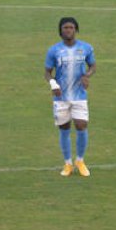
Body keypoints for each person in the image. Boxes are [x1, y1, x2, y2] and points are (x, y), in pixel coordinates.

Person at [44, 17, 96, 177]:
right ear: (60, 31)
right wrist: (53, 84)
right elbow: (47, 72)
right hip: (61, 98)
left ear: (76, 30)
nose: (68, 30)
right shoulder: (53, 50)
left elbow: (93, 65)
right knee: (64, 128)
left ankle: (80, 161)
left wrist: (87, 75)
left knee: (81, 125)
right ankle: (68, 164)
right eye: (65, 27)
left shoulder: (86, 48)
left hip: (79, 95)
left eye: (71, 27)